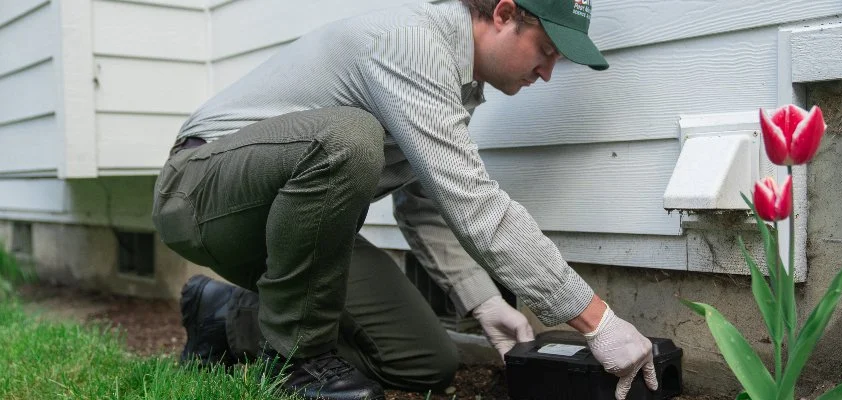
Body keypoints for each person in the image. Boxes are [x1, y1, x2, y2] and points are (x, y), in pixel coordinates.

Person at [151, 0, 658, 399]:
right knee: (348, 138)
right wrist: (595, 318)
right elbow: (475, 202)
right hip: (199, 190)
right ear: (504, 14)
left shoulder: (459, 86)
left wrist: (481, 301)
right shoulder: (410, 43)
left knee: (424, 362)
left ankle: (225, 315)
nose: (547, 72)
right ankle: (296, 366)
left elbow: (420, 204)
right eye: (546, 50)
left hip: (294, 230)